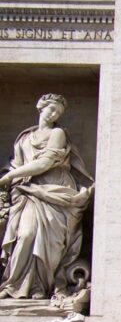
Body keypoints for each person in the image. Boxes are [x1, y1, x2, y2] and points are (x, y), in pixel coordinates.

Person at [0, 93, 93, 300]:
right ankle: (13, 285)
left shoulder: (57, 133)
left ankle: (40, 287)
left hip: (54, 190)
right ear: (40, 107)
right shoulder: (25, 138)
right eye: (51, 109)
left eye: (58, 112)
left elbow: (44, 164)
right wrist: (11, 178)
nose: (54, 114)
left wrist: (10, 177)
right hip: (27, 192)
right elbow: (15, 163)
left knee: (46, 241)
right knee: (25, 235)